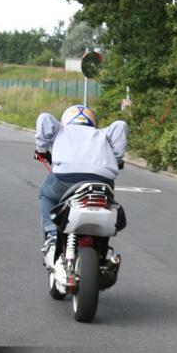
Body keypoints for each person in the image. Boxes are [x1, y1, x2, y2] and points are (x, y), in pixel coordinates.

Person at [35, 105, 129, 251]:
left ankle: (52, 233)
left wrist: (42, 149)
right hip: (102, 182)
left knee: (45, 194)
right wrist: (116, 159)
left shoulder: (61, 129)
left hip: (65, 181)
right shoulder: (102, 133)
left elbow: (44, 118)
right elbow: (120, 125)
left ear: (66, 120)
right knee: (105, 203)